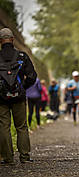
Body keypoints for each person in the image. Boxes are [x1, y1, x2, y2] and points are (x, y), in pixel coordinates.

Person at [0, 28, 37, 164]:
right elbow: (32, 76)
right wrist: (23, 88)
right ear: (13, 40)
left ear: (0, 42)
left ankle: (8, 158)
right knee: (21, 126)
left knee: (4, 126)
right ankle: (25, 157)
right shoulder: (22, 56)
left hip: (1, 99)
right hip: (19, 97)